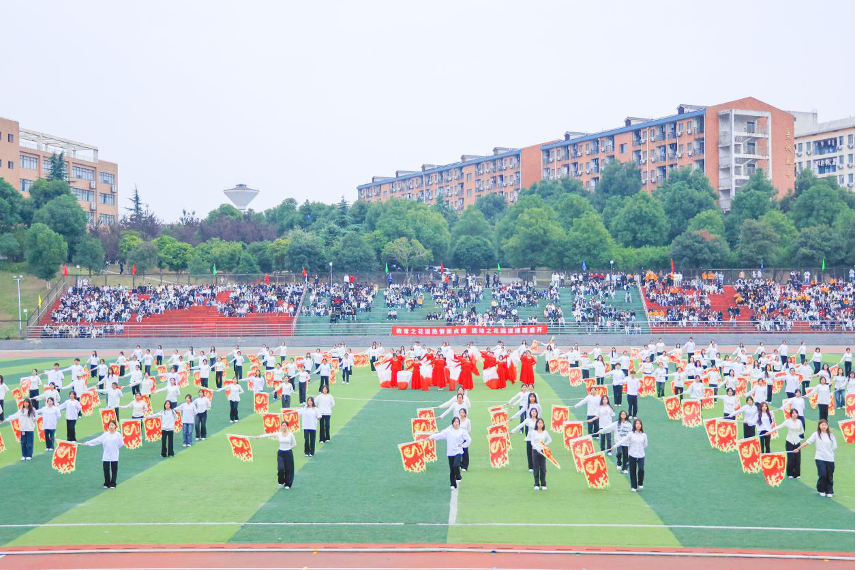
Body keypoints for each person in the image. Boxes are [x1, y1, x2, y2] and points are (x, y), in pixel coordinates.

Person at [793, 419, 837, 498]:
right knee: (823, 474)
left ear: (827, 426)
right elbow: (808, 442)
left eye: (825, 425)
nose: (824, 426)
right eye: (822, 425)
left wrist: (828, 451)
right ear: (819, 426)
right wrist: (798, 448)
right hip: (819, 458)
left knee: (829, 476)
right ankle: (821, 490)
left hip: (830, 458)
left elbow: (834, 446)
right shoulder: (816, 434)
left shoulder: (831, 435)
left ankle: (829, 491)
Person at [251, 421, 298, 488]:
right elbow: (269, 434)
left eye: (285, 426)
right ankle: (281, 481)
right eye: (283, 425)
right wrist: (259, 436)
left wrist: (289, 448)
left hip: (288, 453)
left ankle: (288, 484)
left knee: (289, 469)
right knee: (281, 468)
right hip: (280, 453)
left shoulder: (291, 435)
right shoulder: (278, 434)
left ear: (287, 427)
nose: (284, 427)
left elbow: (294, 444)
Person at [429, 416, 472, 490]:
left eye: (457, 422)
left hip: (458, 451)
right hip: (450, 453)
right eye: (455, 422)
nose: (456, 423)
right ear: (452, 423)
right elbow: (439, 435)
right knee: (452, 469)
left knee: (456, 465)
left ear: (459, 423)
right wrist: (430, 438)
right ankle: (453, 484)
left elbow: (469, 439)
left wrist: (463, 445)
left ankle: (458, 476)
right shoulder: (448, 431)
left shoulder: (462, 431)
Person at [82, 419, 124, 488]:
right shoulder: (105, 435)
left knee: (114, 470)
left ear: (115, 426)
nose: (111, 426)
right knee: (106, 469)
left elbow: (121, 444)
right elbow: (97, 440)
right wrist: (87, 443)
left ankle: (113, 483)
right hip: (106, 455)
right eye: (110, 425)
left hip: (114, 455)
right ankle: (107, 483)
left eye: (112, 425)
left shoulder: (118, 435)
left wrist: (115, 449)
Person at [613, 418, 648, 491]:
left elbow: (645, 445)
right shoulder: (631, 434)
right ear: (634, 425)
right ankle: (633, 486)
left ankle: (640, 482)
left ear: (641, 425)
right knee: (632, 470)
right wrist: (615, 446)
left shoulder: (644, 435)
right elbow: (623, 440)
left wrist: (640, 449)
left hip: (641, 455)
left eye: (639, 424)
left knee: (641, 469)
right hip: (632, 455)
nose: (638, 425)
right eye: (637, 423)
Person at [769, 409, 805, 479]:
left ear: (797, 414)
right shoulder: (787, 421)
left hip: (797, 442)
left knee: (797, 458)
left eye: (796, 413)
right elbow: (779, 426)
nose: (794, 414)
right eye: (793, 413)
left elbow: (802, 431)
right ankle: (790, 474)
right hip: (789, 441)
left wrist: (796, 434)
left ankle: (797, 474)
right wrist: (770, 431)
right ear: (791, 414)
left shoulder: (799, 421)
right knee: (791, 458)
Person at [510, 408, 539, 472]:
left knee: (536, 453)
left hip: (537, 439)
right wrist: (513, 431)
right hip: (529, 438)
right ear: (530, 412)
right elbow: (521, 425)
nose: (534, 412)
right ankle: (531, 467)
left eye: (535, 411)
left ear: (537, 413)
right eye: (532, 411)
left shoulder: (539, 420)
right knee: (529, 453)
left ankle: (536, 466)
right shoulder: (528, 420)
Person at [529, 418, 552, 491]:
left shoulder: (545, 432)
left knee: (543, 468)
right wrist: (537, 448)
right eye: (539, 423)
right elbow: (532, 442)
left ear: (543, 424)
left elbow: (550, 440)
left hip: (543, 451)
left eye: (541, 423)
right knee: (536, 467)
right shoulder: (533, 432)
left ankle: (543, 484)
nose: (540, 424)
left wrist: (544, 446)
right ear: (537, 424)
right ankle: (536, 484)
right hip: (535, 451)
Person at [458, 407, 472, 472]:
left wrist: (465, 435)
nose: (462, 413)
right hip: (458, 438)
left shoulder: (468, 421)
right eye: (460, 412)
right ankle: (460, 465)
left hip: (465, 438)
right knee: (458, 452)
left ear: (465, 413)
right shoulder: (457, 420)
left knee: (465, 452)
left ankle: (464, 466)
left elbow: (469, 429)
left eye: (463, 412)